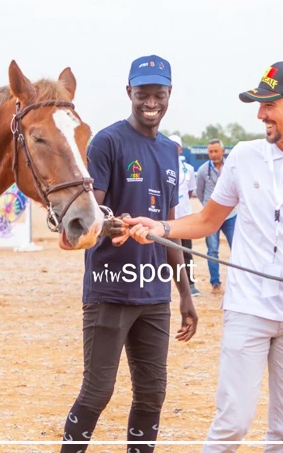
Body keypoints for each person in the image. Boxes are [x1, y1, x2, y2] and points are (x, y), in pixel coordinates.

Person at [117, 61, 283, 452]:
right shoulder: (244, 156)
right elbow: (206, 220)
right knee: (230, 426)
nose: (260, 114)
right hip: (247, 308)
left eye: (269, 105)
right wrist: (158, 228)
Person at [59, 55, 198, 453]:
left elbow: (170, 229)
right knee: (97, 391)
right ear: (129, 94)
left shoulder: (171, 152)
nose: (150, 102)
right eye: (143, 94)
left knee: (152, 393)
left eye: (159, 94)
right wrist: (112, 223)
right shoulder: (108, 141)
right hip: (110, 291)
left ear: (169, 95)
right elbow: (90, 214)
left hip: (155, 295)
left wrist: (185, 292)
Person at [194, 139, 237, 294]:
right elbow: (199, 192)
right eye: (210, 151)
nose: (213, 154)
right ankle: (215, 283)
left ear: (222, 151)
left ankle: (236, 283)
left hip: (231, 216)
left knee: (237, 249)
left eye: (215, 151)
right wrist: (209, 208)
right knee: (212, 251)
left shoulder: (232, 168)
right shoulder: (202, 170)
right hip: (211, 218)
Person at [168, 134, 202, 296]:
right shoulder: (160, 166)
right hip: (166, 219)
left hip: (184, 217)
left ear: (181, 148)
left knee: (186, 253)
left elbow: (190, 192)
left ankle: (190, 285)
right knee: (161, 253)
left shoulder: (188, 169)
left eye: (176, 145)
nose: (173, 148)